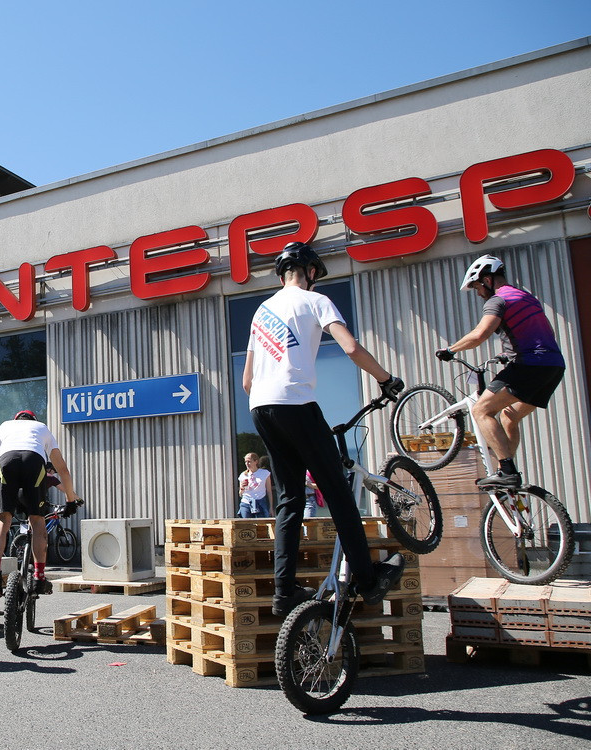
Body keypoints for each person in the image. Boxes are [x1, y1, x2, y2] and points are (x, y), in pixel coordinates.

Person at [243, 242, 406, 617]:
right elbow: (350, 348)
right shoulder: (316, 301)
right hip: (296, 404)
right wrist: (386, 379)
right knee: (337, 491)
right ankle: (368, 580)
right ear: (310, 271)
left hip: (260, 408)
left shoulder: (261, 311)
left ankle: (284, 592)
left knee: (289, 500)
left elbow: (247, 381)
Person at [436, 254, 565, 489]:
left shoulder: (498, 300)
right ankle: (506, 473)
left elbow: (480, 334)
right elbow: (546, 333)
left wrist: (450, 350)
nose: (478, 293)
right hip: (554, 366)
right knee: (509, 416)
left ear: (487, 280)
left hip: (529, 365)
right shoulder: (527, 297)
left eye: (477, 287)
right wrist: (509, 353)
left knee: (481, 410)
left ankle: (507, 472)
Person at [0, 410, 82, 598]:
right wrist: (70, 501)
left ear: (16, 419)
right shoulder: (41, 427)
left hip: (7, 461)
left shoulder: (4, 426)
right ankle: (39, 577)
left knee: (3, 519)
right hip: (33, 461)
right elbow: (63, 470)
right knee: (37, 520)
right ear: (33, 420)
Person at [236, 453, 271, 517]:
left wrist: (271, 507)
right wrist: (242, 488)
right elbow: (240, 494)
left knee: (261, 522)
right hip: (246, 502)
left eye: (249, 461)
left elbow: (269, 491)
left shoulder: (264, 473)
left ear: (256, 461)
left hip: (260, 502)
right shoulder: (243, 475)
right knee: (246, 522)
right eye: (245, 462)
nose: (247, 464)